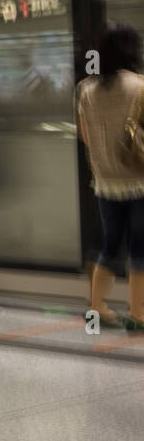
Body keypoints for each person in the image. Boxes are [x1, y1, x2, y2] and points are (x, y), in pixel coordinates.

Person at [78, 24, 144, 331]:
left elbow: (85, 136)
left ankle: (97, 306)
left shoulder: (87, 90)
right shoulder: (139, 86)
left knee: (110, 244)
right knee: (139, 248)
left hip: (105, 182)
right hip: (138, 180)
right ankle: (138, 314)